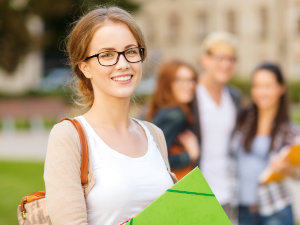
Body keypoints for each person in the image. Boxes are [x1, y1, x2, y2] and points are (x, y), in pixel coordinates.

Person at [44, 7, 176, 225]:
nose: (123, 64)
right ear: (85, 67)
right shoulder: (69, 136)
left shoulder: (154, 134)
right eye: (107, 55)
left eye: (131, 51)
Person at [231, 63, 300, 225]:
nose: (261, 92)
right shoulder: (242, 120)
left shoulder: (290, 130)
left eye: (267, 86)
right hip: (243, 210)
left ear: (281, 88)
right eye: (256, 86)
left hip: (275, 209)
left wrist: (287, 169)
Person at [192, 31, 241, 220]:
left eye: (231, 59)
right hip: (197, 192)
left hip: (228, 192)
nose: (226, 64)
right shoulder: (190, 94)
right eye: (220, 58)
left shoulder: (234, 97)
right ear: (205, 59)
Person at [146, 60, 200, 179]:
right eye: (180, 80)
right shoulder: (175, 115)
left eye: (191, 80)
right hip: (176, 186)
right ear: (167, 83)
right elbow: (156, 159)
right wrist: (190, 155)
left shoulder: (161, 109)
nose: (189, 85)